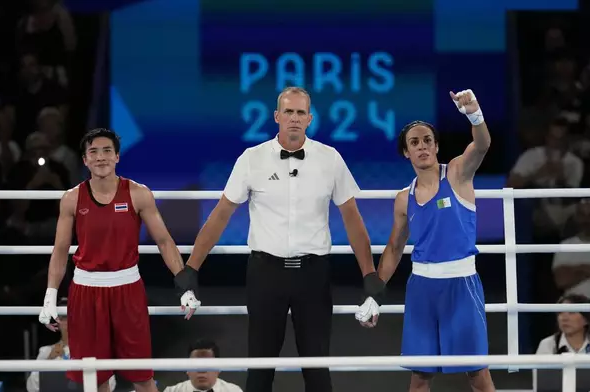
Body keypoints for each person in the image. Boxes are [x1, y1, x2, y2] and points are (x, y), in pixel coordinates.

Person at [175, 86, 385, 392]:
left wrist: (369, 273)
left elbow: (352, 218)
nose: (295, 119)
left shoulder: (330, 158)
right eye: (289, 112)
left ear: (310, 118)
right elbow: (221, 215)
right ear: (277, 116)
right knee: (260, 367)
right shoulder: (252, 159)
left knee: (316, 368)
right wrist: (191, 268)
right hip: (266, 273)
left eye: (301, 112)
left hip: (313, 274)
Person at [38, 128, 201, 392]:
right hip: (85, 293)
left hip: (128, 292)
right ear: (85, 159)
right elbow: (60, 250)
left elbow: (164, 241)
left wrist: (184, 285)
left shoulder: (138, 193)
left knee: (142, 377)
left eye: (106, 151)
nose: (100, 157)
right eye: (94, 152)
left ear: (117, 157)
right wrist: (50, 296)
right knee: (94, 378)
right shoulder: (71, 199)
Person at [356, 89, 495, 392]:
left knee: (477, 374)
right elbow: (394, 248)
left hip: (461, 284)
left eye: (427, 141)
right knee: (419, 378)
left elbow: (482, 145)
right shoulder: (403, 199)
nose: (422, 147)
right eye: (414, 143)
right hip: (422, 289)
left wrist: (474, 113)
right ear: (406, 152)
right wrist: (375, 294)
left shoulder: (458, 173)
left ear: (436, 146)